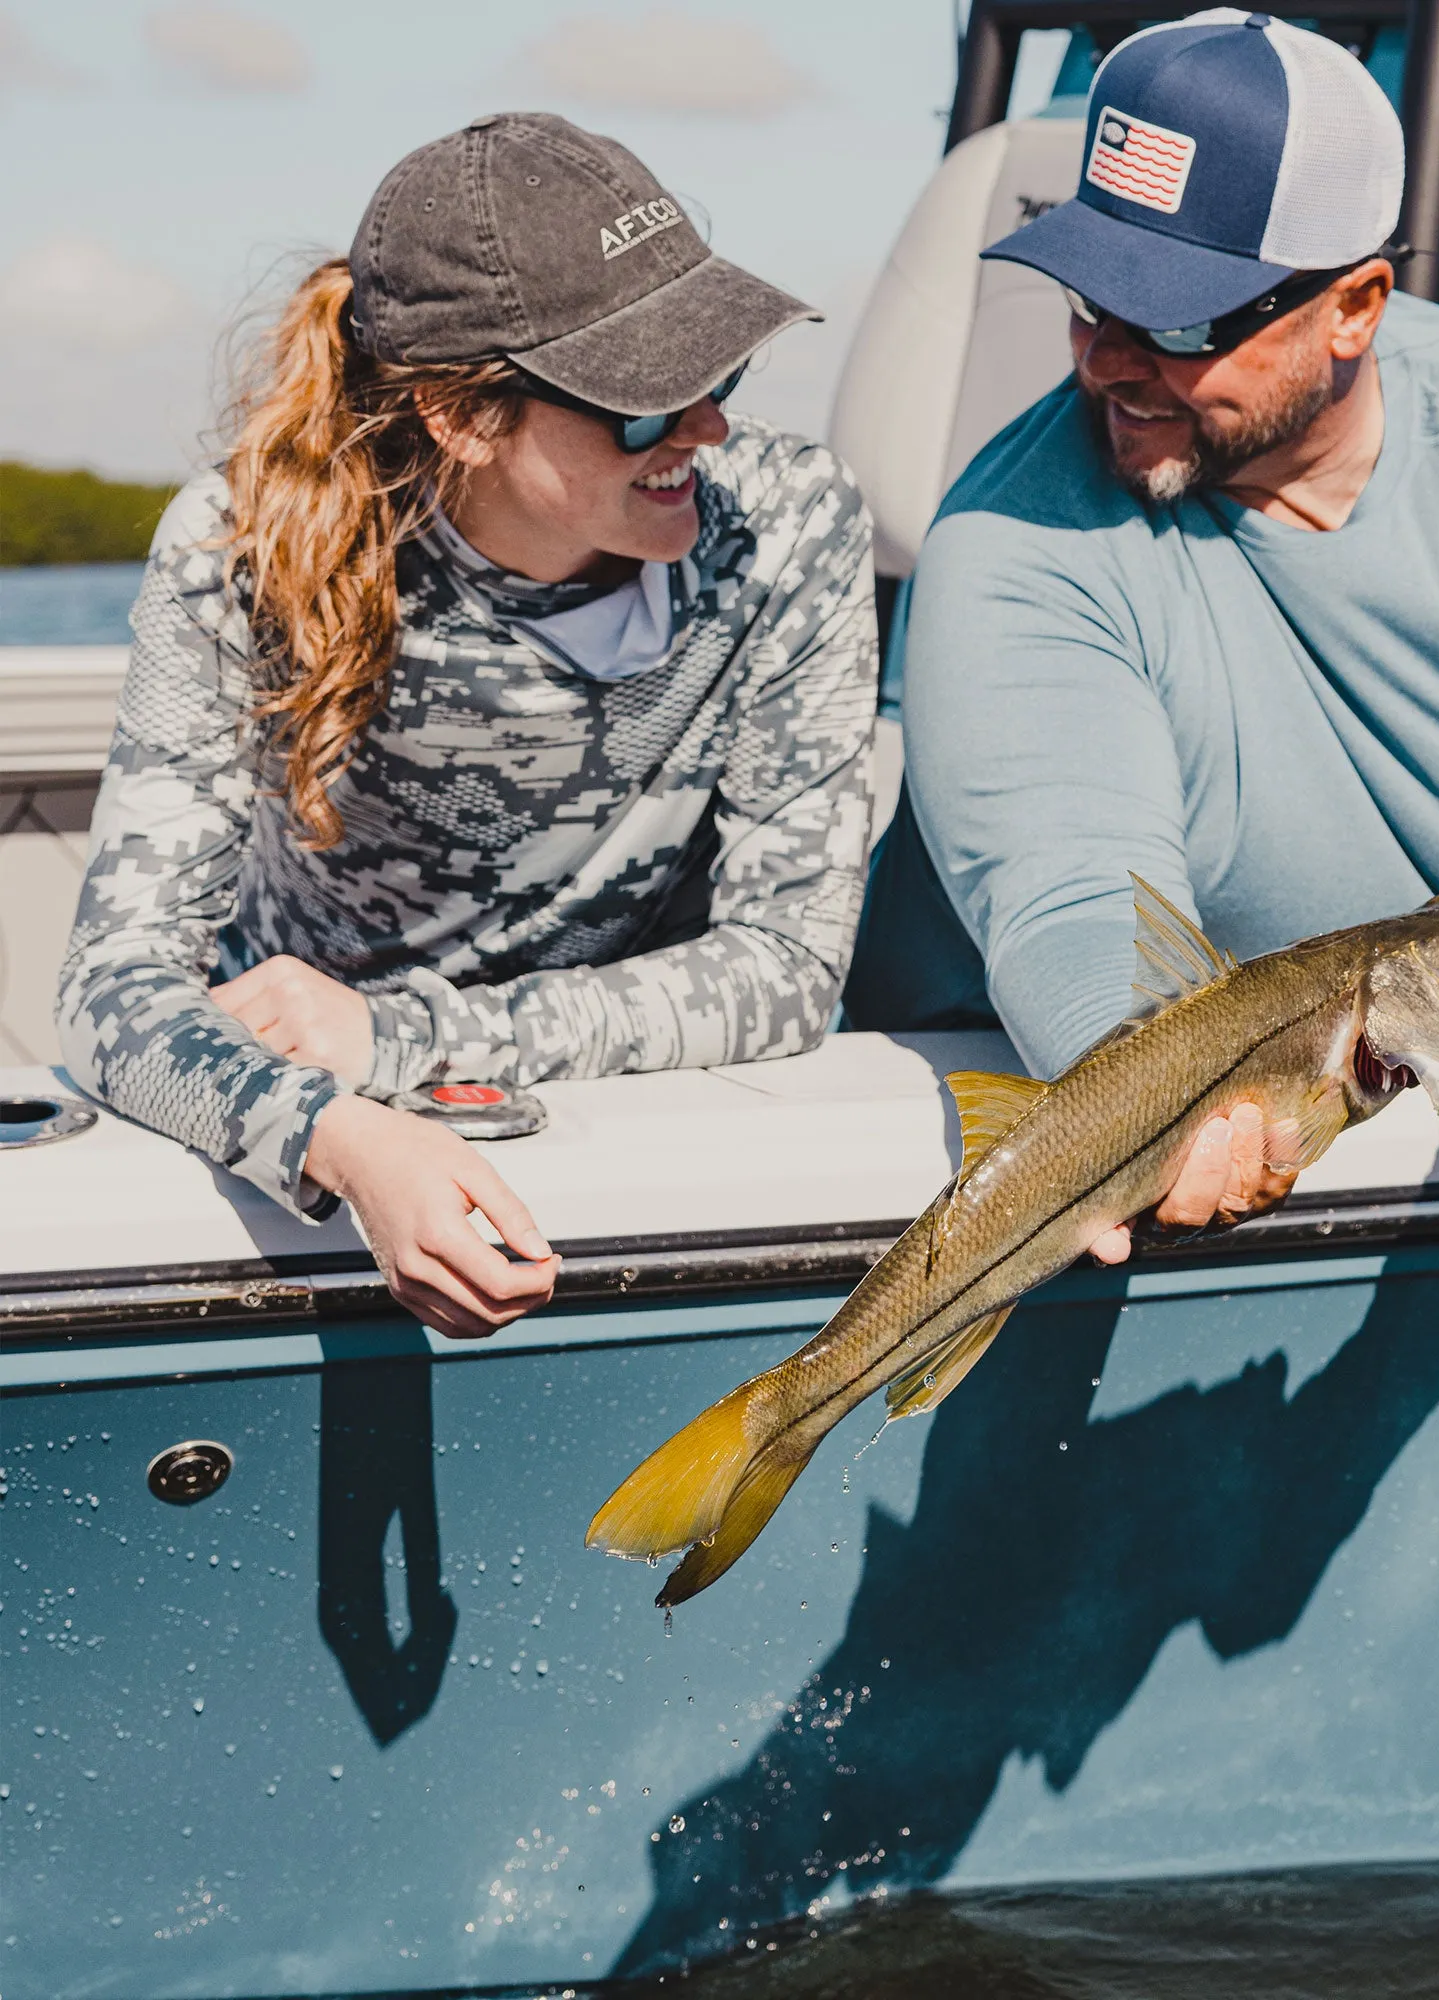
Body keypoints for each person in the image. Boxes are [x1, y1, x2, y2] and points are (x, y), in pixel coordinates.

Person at [877, 9, 1439, 1262]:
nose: (1107, 364)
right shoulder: (1007, 536)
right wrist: (1152, 1114)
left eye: (1179, 323)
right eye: (1088, 302)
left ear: (1353, 305)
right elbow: (1070, 895)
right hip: (1089, 1187)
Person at [59, 114, 878, 1337]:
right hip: (309, 1153)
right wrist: (341, 1137)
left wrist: (392, 1039)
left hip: (624, 1130)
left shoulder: (790, 522)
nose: (705, 428)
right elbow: (109, 987)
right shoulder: (241, 544)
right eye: (644, 404)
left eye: (719, 373)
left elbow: (790, 969)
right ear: (457, 412)